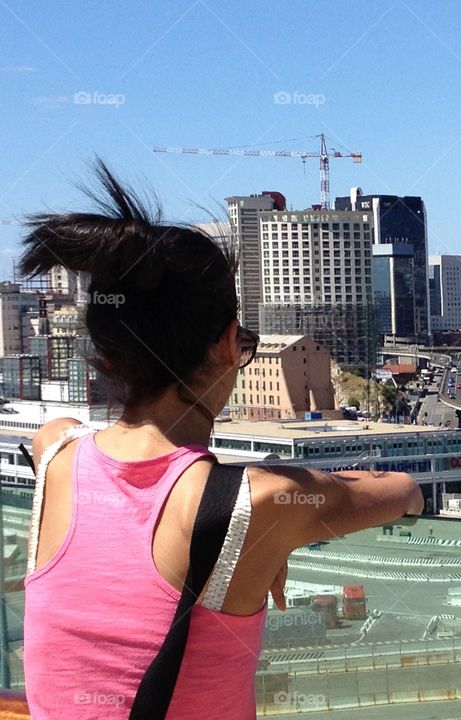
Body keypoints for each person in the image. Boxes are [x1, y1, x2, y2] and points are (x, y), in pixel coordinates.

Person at [19, 161, 424, 718]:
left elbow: (70, 440)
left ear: (107, 352)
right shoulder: (258, 503)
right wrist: (254, 529)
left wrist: (243, 525)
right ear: (230, 343)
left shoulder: (57, 456)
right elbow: (403, 491)